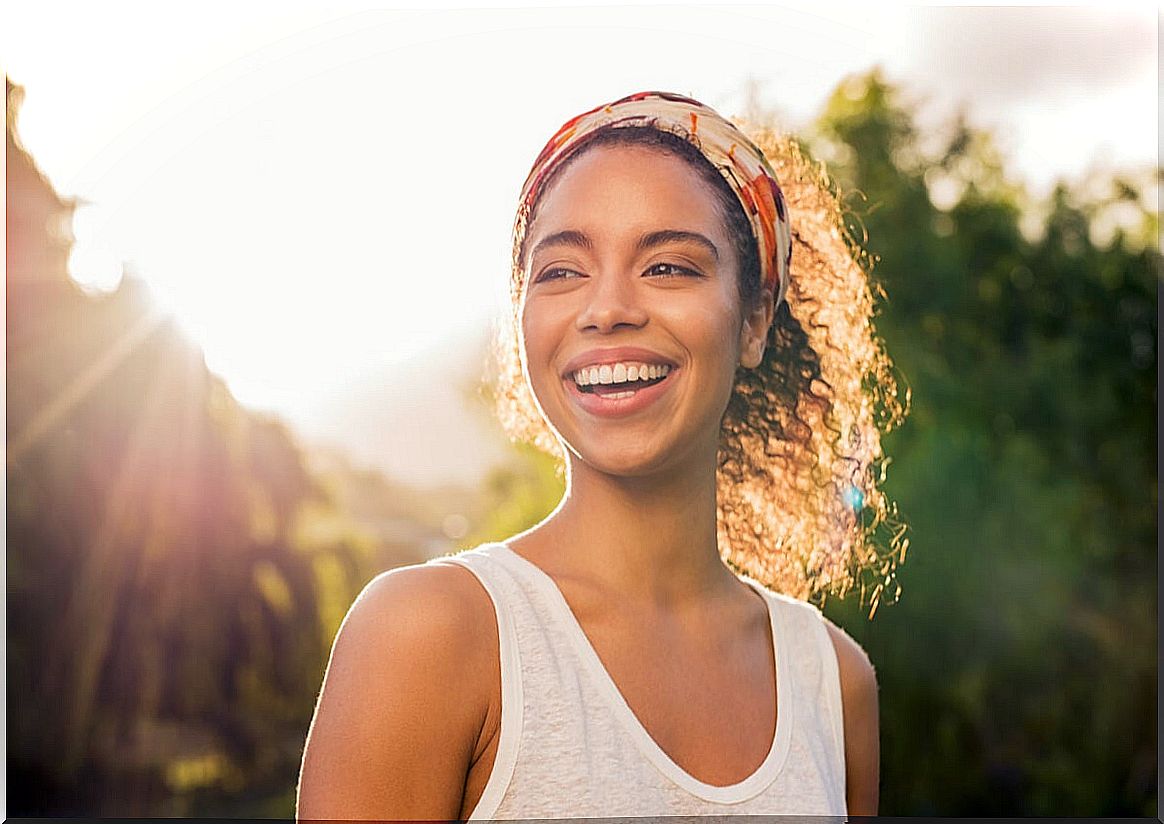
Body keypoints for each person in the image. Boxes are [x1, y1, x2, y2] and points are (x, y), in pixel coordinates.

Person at [296, 90, 907, 820]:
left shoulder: (833, 684)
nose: (608, 307)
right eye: (561, 271)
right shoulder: (428, 636)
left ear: (754, 320)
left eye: (669, 267)